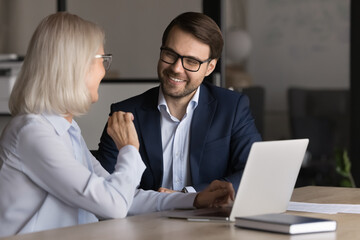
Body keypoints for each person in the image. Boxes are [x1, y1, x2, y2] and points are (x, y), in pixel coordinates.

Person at [0, 12, 234, 237]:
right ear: (73, 67)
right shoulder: (32, 133)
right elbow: (113, 205)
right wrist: (129, 149)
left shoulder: (65, 131)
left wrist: (194, 199)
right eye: (102, 60)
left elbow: (125, 196)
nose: (104, 70)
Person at [97, 12, 262, 194]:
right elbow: (105, 188)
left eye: (191, 61)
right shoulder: (125, 113)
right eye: (170, 54)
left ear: (210, 67)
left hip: (210, 218)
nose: (176, 68)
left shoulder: (232, 107)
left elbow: (252, 172)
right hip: (146, 219)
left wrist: (187, 196)